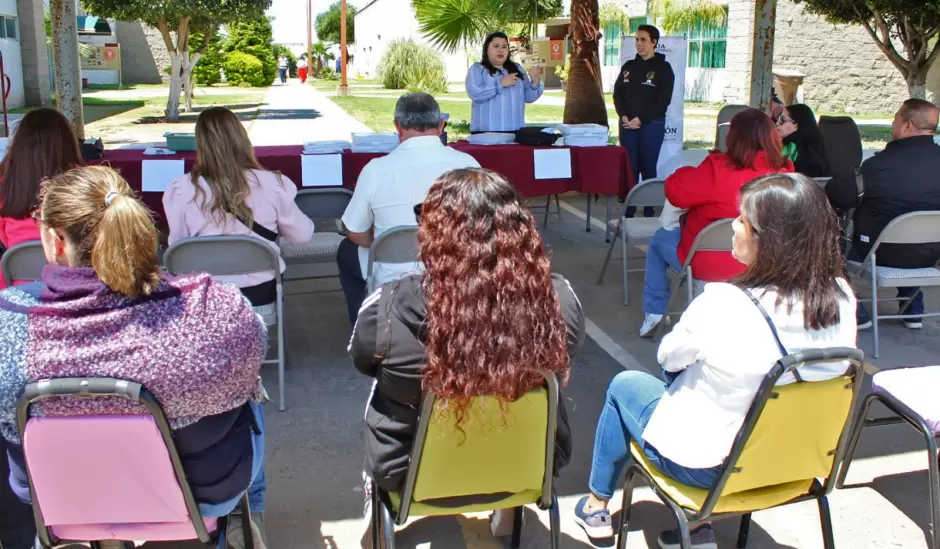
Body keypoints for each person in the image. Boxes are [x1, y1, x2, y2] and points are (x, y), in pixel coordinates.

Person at [575, 172, 858, 548]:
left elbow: (668, 358)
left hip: (711, 470)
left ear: (769, 240)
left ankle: (598, 505)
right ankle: (695, 527)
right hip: (795, 464)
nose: (733, 226)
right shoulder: (842, 297)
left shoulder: (724, 302)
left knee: (626, 385)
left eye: (742, 220)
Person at [0, 166, 270, 549]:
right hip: (201, 496)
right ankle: (249, 514)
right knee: (250, 392)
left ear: (56, 240)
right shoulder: (214, 308)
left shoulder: (9, 323)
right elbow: (252, 349)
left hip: (57, 503)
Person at [351, 168, 584, 543]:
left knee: (381, 392)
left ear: (433, 235)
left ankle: (374, 501)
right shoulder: (561, 301)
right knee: (516, 384)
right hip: (529, 468)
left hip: (409, 471)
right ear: (522, 230)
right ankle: (508, 512)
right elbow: (567, 353)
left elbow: (362, 360)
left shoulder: (391, 305)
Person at [639, 108, 793, 337]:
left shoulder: (718, 169)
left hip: (713, 264)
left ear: (733, 138)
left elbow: (676, 192)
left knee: (660, 239)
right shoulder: (785, 172)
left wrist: (685, 171)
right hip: (769, 262)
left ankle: (655, 312)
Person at [337, 93, 479, 323]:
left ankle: (366, 331)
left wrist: (384, 241)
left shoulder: (376, 169)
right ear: (441, 125)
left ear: (397, 127)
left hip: (393, 274)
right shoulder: (469, 164)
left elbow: (354, 231)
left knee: (346, 251)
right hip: (455, 268)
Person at [164, 107, 314, 313]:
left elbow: (177, 249)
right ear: (242, 138)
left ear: (200, 143)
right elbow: (302, 236)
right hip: (260, 291)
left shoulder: (181, 190)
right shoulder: (273, 184)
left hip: (204, 295)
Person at [826, 98, 940, 330]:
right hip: (933, 255)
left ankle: (860, 312)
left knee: (828, 241)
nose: (892, 122)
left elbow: (839, 195)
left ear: (907, 126)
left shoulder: (878, 166)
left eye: (896, 118)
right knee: (912, 235)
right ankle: (912, 309)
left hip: (876, 254)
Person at [0, 108, 84, 288]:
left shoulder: (5, 184)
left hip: (18, 288)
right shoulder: (83, 182)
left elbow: (5, 239)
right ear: (67, 141)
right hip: (75, 285)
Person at [614, 24, 675, 218]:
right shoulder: (629, 67)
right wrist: (623, 115)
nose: (639, 44)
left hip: (650, 125)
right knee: (630, 168)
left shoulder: (663, 68)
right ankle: (629, 208)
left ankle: (649, 209)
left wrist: (641, 119)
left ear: (654, 42)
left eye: (643, 40)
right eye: (637, 40)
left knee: (648, 167)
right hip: (627, 125)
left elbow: (663, 101)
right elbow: (617, 94)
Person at [465, 31, 543, 134]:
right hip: (486, 132)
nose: (500, 50)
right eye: (496, 46)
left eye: (504, 47)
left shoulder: (517, 68)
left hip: (515, 131)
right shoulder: (477, 69)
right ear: (487, 50)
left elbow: (528, 97)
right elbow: (475, 94)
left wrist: (535, 81)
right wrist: (499, 84)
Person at [776, 103, 830, 177]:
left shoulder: (789, 148)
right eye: (778, 119)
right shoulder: (816, 149)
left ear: (796, 126)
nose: (777, 123)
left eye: (782, 120)